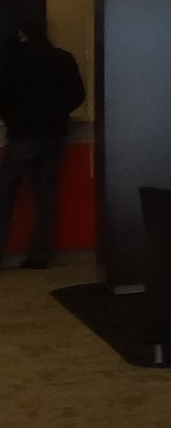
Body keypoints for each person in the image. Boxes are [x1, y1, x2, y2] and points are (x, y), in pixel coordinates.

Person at [0, 17, 85, 268]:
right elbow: (78, 95)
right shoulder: (64, 58)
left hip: (22, 134)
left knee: (5, 192)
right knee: (47, 195)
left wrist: (12, 117)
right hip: (55, 134)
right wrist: (58, 114)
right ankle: (40, 256)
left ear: (22, 33)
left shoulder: (11, 60)